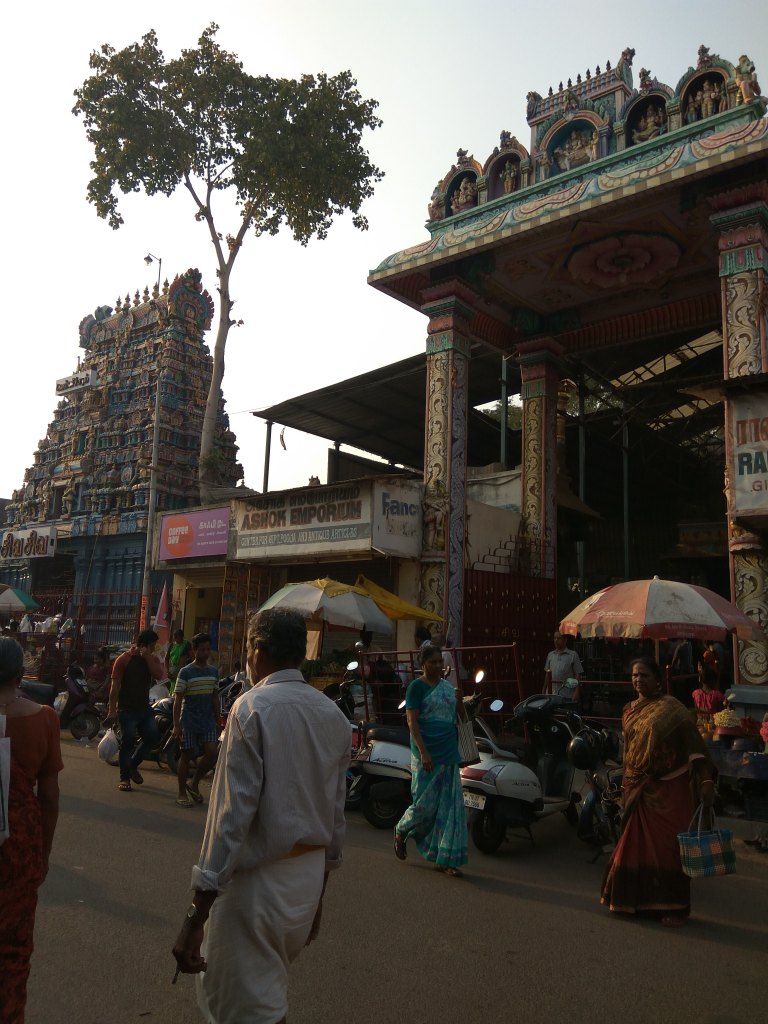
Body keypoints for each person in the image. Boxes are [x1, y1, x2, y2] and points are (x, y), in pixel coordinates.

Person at [171, 608, 350, 1024]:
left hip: (258, 890)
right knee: (263, 998)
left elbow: (230, 820)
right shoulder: (333, 716)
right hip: (304, 884)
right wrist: (318, 896)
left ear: (257, 651)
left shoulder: (251, 708)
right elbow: (335, 820)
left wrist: (195, 916)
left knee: (249, 1011)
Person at [601, 657, 715, 926]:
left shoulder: (672, 708)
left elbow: (694, 747)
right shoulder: (629, 709)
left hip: (669, 789)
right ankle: (632, 902)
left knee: (668, 850)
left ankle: (673, 907)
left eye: (644, 675)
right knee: (632, 845)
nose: (638, 680)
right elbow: (628, 749)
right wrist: (625, 780)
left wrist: (706, 781)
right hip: (637, 786)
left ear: (656, 680)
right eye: (634, 675)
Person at [0, 637, 63, 1022]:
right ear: (21, 673)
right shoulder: (43, 718)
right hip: (19, 849)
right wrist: (43, 855)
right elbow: (50, 798)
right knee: (12, 950)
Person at [393, 644, 468, 878]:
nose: (437, 665)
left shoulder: (448, 688)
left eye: (440, 662)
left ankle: (445, 859)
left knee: (449, 808)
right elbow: (412, 723)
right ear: (423, 663)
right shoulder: (416, 688)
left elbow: (461, 719)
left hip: (447, 752)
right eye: (433, 662)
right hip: (425, 752)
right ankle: (401, 829)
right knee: (423, 805)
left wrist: (460, 702)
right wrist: (424, 752)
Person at [106, 628, 166, 792]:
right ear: (145, 644)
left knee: (153, 737)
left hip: (144, 708)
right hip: (127, 709)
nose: (154, 649)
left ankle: (132, 765)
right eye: (153, 645)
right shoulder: (123, 660)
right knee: (128, 742)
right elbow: (115, 686)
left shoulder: (151, 658)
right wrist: (112, 710)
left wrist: (147, 656)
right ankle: (125, 778)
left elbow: (159, 675)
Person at [171, 633, 221, 808]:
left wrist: (218, 718)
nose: (205, 653)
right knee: (186, 755)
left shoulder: (213, 671)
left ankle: (194, 782)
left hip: (207, 721)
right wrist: (176, 725)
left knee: (212, 753)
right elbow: (178, 700)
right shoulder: (185, 672)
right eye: (202, 649)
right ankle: (182, 792)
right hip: (189, 721)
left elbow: (215, 697)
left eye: (208, 649)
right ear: (194, 650)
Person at [543, 631, 583, 702]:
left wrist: (577, 692)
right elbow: (547, 674)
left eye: (559, 638)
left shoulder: (573, 655)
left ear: (565, 640)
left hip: (567, 694)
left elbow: (578, 675)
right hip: (552, 694)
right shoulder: (550, 655)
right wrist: (544, 689)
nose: (556, 640)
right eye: (555, 638)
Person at [165, 630, 193, 694]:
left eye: (178, 638)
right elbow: (166, 658)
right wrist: (167, 671)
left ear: (182, 637)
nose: (176, 640)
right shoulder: (172, 645)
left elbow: (192, 657)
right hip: (173, 674)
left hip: (183, 674)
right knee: (173, 691)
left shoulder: (186, 644)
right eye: (175, 638)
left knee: (181, 691)